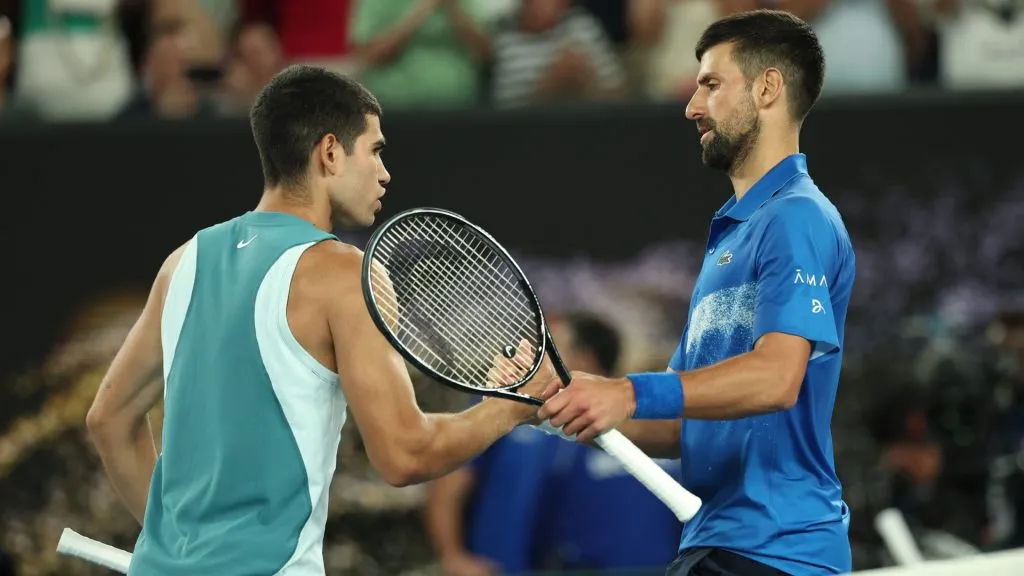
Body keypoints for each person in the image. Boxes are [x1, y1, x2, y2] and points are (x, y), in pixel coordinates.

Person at [84, 65, 553, 575]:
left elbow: (108, 420)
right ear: (330, 152)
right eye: (374, 150)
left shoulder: (183, 261)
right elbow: (405, 453)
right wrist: (508, 410)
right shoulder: (345, 275)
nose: (385, 172)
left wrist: (174, 548)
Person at [537, 9, 855, 576]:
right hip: (720, 547)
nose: (691, 105)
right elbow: (681, 425)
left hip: (777, 551)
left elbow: (777, 378)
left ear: (767, 88)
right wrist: (573, 402)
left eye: (711, 84)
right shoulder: (733, 236)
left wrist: (628, 392)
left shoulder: (797, 217)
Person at [425, 312, 677, 575]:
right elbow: (448, 483)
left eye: (550, 348)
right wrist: (453, 556)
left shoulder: (638, 423)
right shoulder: (501, 405)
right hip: (501, 568)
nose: (534, 357)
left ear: (585, 358)